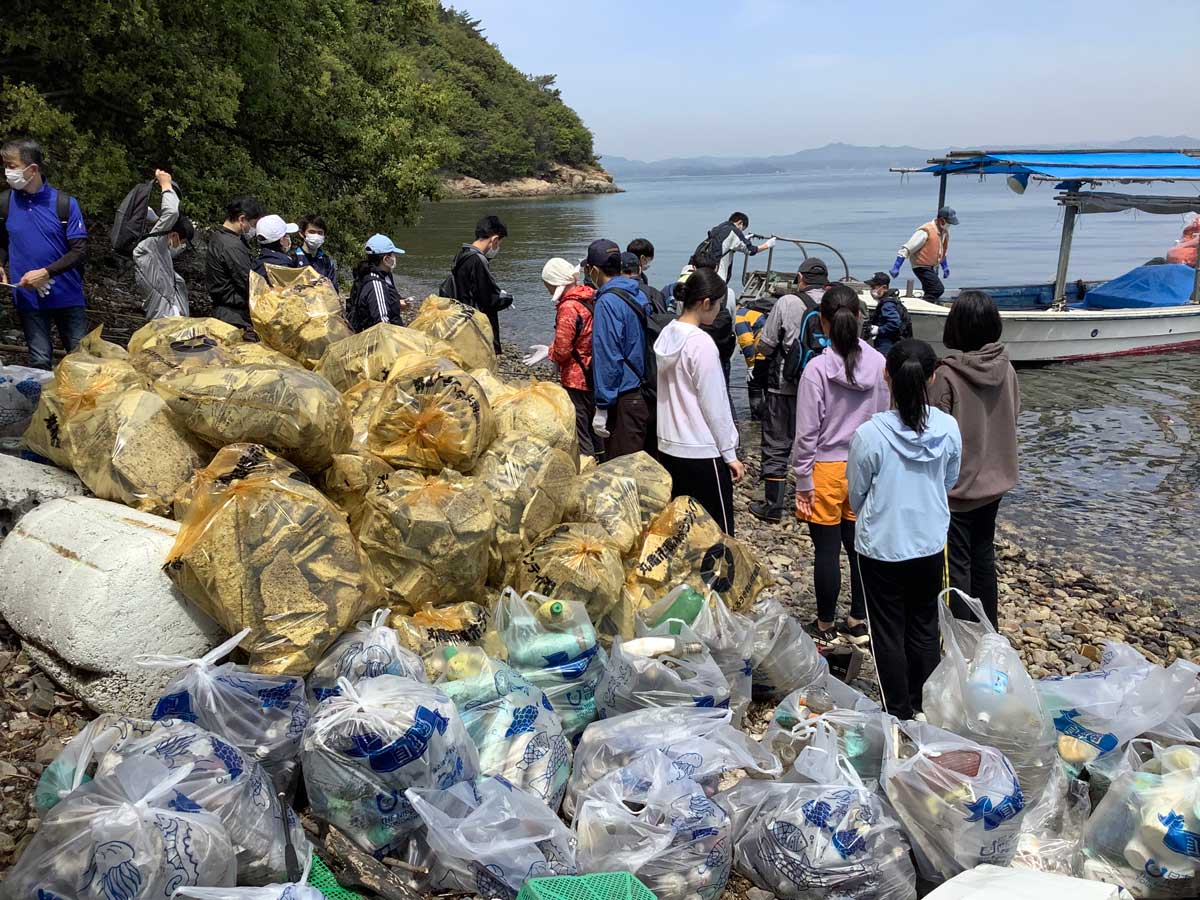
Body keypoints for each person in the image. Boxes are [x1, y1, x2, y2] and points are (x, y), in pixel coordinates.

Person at [847, 339, 962, 720]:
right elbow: (949, 479)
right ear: (932, 377)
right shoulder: (947, 427)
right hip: (929, 540)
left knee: (887, 631)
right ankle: (923, 705)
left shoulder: (869, 434)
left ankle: (896, 711)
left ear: (886, 376)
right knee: (924, 625)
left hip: (880, 545)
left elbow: (857, 493)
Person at [792, 283, 890, 646]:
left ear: (822, 322)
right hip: (865, 467)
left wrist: (803, 478)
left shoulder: (817, 369)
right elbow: (884, 420)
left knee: (827, 551)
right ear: (860, 318)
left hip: (826, 470)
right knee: (860, 546)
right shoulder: (879, 364)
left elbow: (807, 432)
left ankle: (825, 624)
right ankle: (859, 618)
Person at [928, 291, 1019, 629]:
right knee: (983, 559)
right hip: (996, 482)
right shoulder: (1007, 369)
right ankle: (987, 632)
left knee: (956, 566)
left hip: (957, 489)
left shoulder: (946, 376)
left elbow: (932, 435)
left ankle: (961, 636)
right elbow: (1013, 415)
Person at [654, 266, 744, 534]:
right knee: (718, 533)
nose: (719, 311)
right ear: (705, 303)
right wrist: (730, 453)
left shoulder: (667, 333)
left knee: (682, 531)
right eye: (718, 304)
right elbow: (715, 404)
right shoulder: (700, 343)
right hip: (701, 450)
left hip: (669, 446)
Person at [748, 258, 830, 522]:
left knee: (777, 441)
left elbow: (767, 344)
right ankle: (817, 503)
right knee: (821, 443)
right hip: (826, 387)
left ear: (800, 278)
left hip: (785, 384)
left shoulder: (787, 302)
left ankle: (773, 506)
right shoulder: (837, 302)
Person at [0, 139, 88, 369]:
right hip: (28, 297)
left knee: (82, 360)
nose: (7, 172)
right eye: (5, 166)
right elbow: (2, 241)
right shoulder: (5, 203)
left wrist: (46, 272)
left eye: (12, 166)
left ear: (32, 169)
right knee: (39, 361)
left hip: (68, 296)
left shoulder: (65, 204)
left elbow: (79, 251)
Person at [587, 238, 653, 460]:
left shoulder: (607, 302)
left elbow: (608, 355)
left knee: (621, 466)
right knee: (643, 463)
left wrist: (602, 405)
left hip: (623, 395)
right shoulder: (638, 293)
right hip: (645, 390)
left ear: (594, 270)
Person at [544, 257, 598, 458]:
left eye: (547, 285)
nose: (547, 289)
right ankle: (600, 458)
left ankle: (587, 464)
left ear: (555, 283)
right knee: (594, 427)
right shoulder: (589, 297)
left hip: (576, 378)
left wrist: (549, 353)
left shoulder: (568, 307)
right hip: (593, 371)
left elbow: (563, 349)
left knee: (580, 427)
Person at [445, 215, 512, 354]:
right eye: (499, 243)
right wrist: (507, 299)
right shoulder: (478, 260)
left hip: (462, 321)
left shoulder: (462, 254)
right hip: (477, 328)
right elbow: (489, 300)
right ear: (494, 240)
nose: (498, 247)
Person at [134, 168, 194, 319]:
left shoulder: (160, 252)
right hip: (163, 320)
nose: (181, 246)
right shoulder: (151, 247)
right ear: (173, 235)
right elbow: (171, 212)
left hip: (169, 319)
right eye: (182, 242)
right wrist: (166, 185)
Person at [207, 196, 265, 329]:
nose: (253, 229)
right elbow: (248, 282)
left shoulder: (219, 237)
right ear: (242, 219)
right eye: (253, 224)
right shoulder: (232, 245)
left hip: (224, 312)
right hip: (234, 316)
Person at [889, 206, 957, 301]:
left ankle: (927, 303)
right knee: (937, 289)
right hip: (920, 267)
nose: (949, 225)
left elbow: (941, 252)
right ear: (942, 220)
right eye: (949, 222)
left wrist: (945, 267)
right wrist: (896, 267)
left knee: (930, 290)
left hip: (931, 267)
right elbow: (906, 249)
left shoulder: (943, 232)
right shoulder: (925, 231)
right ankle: (926, 303)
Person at [346, 234, 408, 332]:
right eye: (392, 254)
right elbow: (382, 324)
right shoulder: (375, 284)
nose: (395, 257)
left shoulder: (383, 275)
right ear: (386, 259)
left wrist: (398, 303)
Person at [706, 212, 773, 285]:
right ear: (740, 222)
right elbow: (750, 250)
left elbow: (726, 243)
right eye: (742, 229)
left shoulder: (719, 228)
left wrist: (744, 239)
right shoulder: (734, 231)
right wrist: (767, 245)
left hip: (705, 269)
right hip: (717, 274)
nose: (741, 232)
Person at [864, 271, 910, 355]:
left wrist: (879, 330)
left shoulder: (887, 305)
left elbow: (894, 323)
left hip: (887, 344)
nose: (872, 290)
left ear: (884, 288)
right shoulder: (889, 301)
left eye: (874, 287)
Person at [292, 214, 338, 286]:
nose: (316, 235)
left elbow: (334, 288)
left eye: (320, 233)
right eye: (312, 232)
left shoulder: (326, 261)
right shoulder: (293, 258)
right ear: (302, 234)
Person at [625, 239, 668, 312]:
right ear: (643, 259)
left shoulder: (621, 275)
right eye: (649, 260)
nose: (649, 263)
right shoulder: (641, 280)